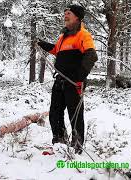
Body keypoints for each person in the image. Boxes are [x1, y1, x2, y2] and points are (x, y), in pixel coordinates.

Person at [36, 5, 98, 153]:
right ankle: (59, 141)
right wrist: (42, 44)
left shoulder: (83, 35)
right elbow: (56, 50)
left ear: (77, 17)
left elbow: (91, 55)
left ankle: (77, 146)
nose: (65, 16)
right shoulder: (63, 37)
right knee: (54, 112)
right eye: (64, 13)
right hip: (60, 81)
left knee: (75, 115)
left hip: (74, 82)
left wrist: (80, 78)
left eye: (68, 13)